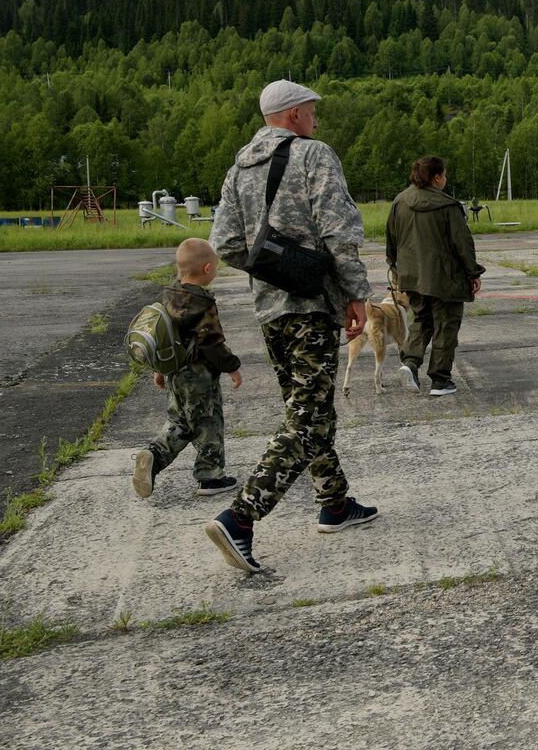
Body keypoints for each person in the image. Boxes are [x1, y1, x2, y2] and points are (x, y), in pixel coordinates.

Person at [205, 79, 378, 574]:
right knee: (306, 419)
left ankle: (336, 504)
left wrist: (277, 269)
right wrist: (354, 294)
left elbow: (227, 243)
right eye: (312, 111)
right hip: (312, 308)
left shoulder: (239, 169)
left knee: (310, 408)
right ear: (295, 114)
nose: (317, 120)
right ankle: (240, 518)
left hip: (271, 310)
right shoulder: (313, 155)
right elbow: (339, 230)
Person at [131, 237, 243, 499]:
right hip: (199, 376)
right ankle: (210, 477)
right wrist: (232, 367)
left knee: (180, 421)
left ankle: (153, 455)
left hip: (175, 373)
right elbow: (212, 343)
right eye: (215, 267)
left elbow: (164, 338)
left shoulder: (168, 295)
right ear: (207, 269)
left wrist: (160, 369)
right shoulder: (202, 303)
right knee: (208, 422)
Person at [384, 155, 485, 396]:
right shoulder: (448, 205)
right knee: (446, 325)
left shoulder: (400, 201)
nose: (445, 179)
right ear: (437, 177)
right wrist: (473, 272)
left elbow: (391, 240)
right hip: (444, 278)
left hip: (411, 276)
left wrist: (397, 269)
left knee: (422, 319)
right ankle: (440, 379)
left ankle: (410, 363)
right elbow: (462, 243)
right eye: (444, 175)